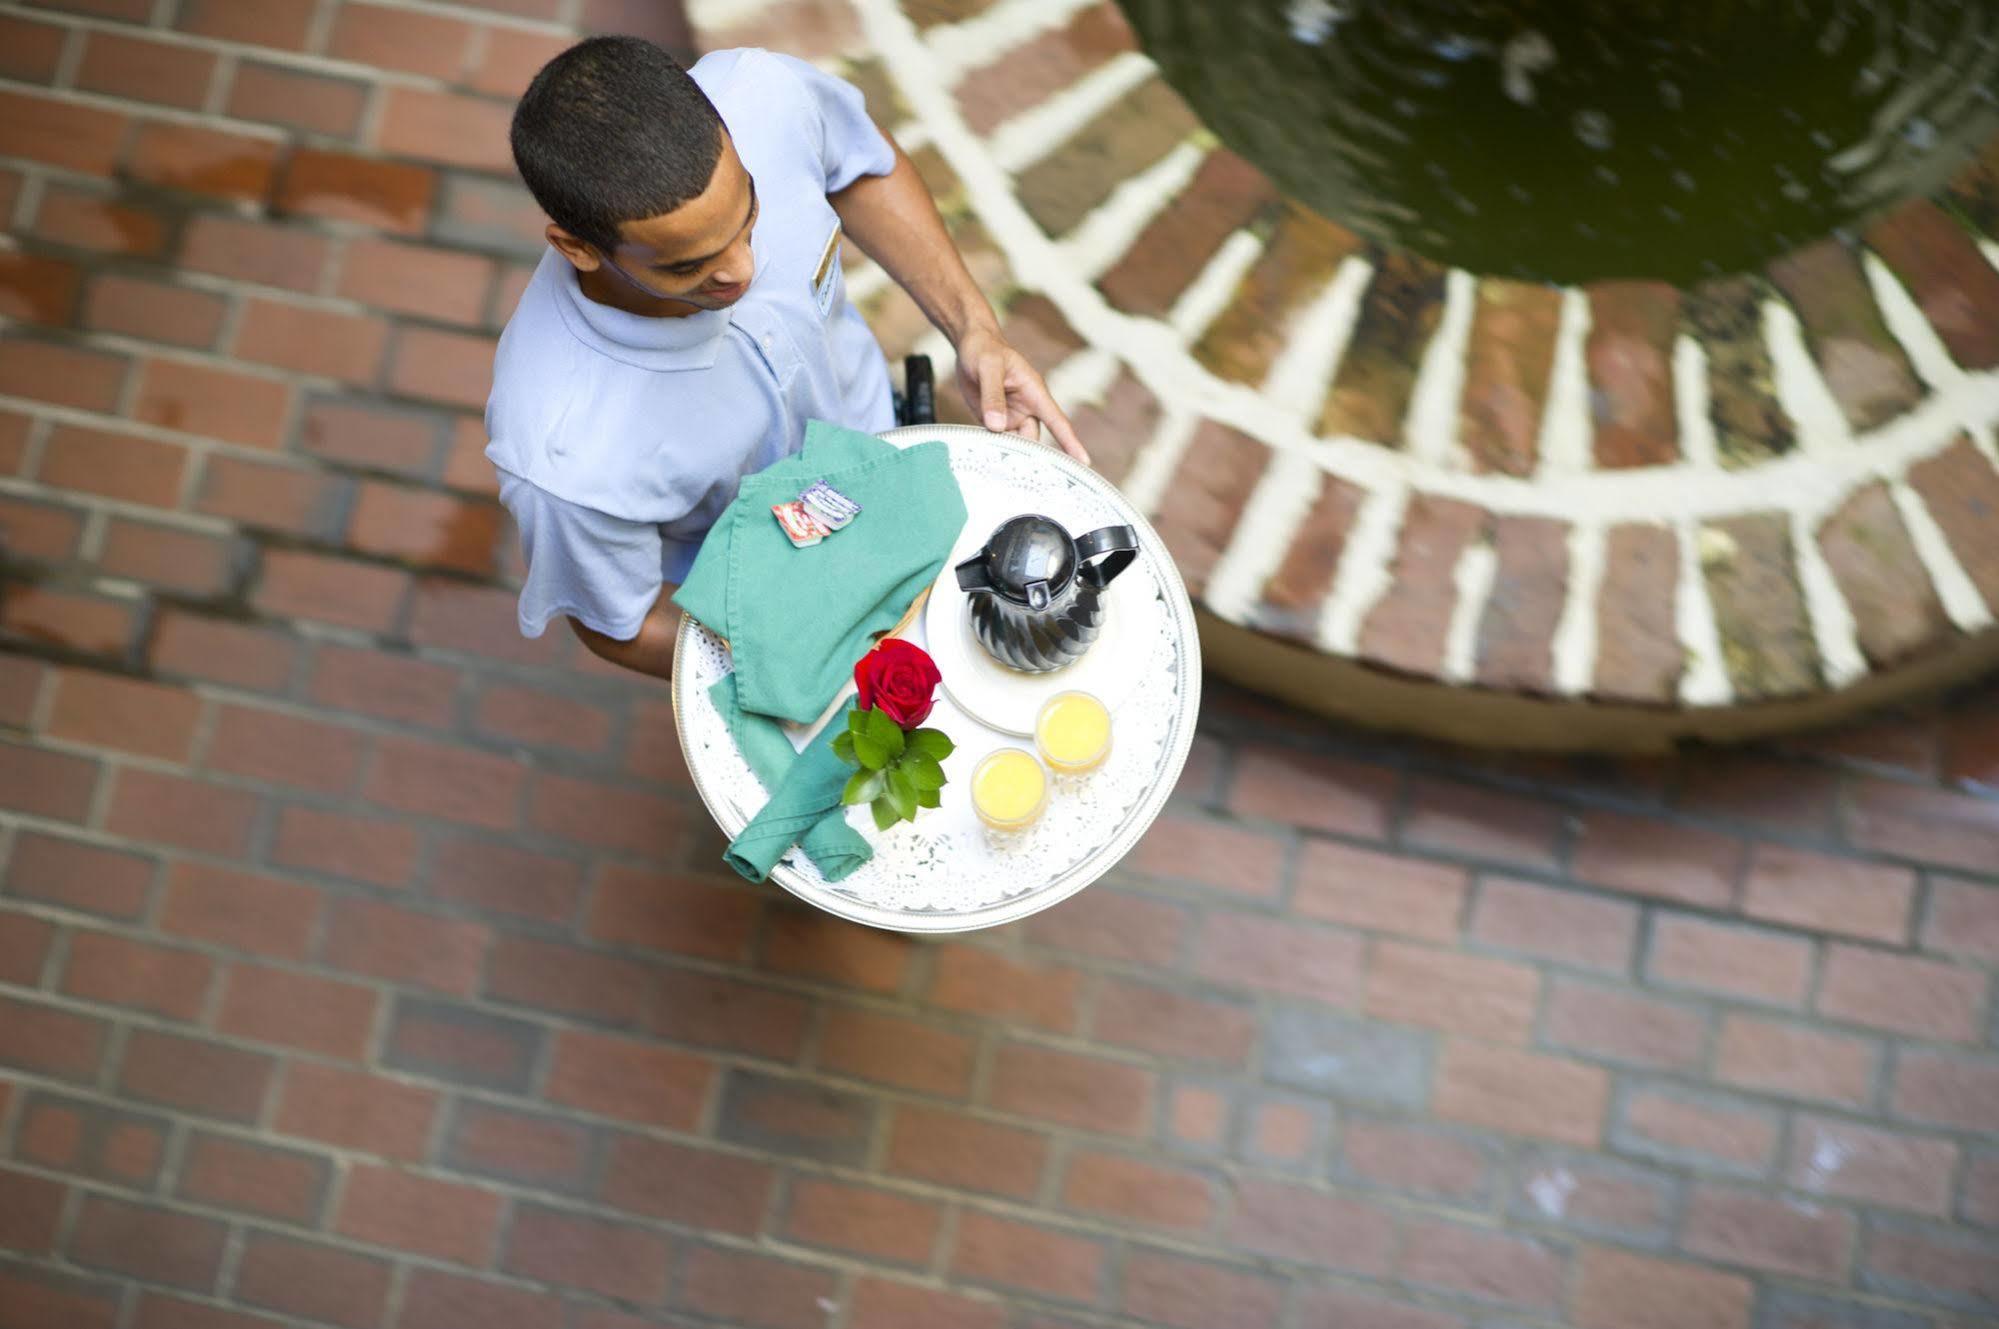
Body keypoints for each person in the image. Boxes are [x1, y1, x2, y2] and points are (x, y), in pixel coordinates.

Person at [486, 36, 1089, 680]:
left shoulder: (762, 95)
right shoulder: (563, 455)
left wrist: (973, 327)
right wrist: (814, 659)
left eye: (748, 213)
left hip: (893, 448)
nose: (743, 270)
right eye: (691, 266)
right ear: (576, 247)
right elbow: (623, 625)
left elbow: (860, 164)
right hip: (768, 594)